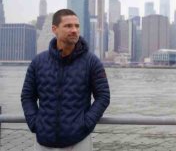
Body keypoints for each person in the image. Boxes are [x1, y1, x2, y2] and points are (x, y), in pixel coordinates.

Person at [21, 9, 110, 151]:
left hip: (79, 141)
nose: (74, 30)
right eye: (68, 26)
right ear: (54, 29)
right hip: (43, 142)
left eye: (77, 26)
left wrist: (86, 124)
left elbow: (103, 96)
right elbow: (27, 96)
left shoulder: (92, 62)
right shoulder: (38, 62)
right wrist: (34, 123)